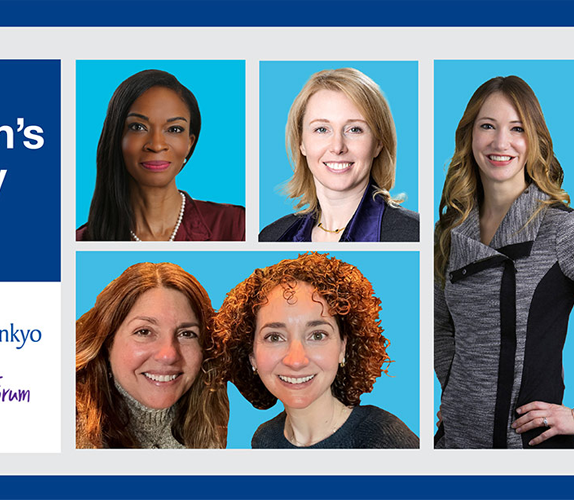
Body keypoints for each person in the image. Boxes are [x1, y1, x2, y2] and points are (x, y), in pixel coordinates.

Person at [433, 76, 574, 449]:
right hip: (455, 445)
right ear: (469, 137)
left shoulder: (560, 228)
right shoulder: (450, 231)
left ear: (534, 140)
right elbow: (439, 327)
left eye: (517, 129)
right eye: (487, 126)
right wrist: (457, 393)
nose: (500, 142)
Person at [211, 252, 417, 448]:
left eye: (317, 335)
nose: (296, 360)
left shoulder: (386, 439)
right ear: (251, 356)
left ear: (343, 348)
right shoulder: (264, 439)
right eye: (274, 337)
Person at [77, 69, 245, 241]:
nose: (156, 145)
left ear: (189, 143)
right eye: (138, 127)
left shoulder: (237, 226)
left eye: (174, 129)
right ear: (117, 137)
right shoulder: (81, 240)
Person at [76, 262, 228, 448]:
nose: (168, 355)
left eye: (186, 334)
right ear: (108, 342)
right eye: (144, 332)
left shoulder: (207, 417)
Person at [259, 68, 418, 242]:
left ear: (378, 143)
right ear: (301, 143)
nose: (337, 147)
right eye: (321, 129)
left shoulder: (414, 233)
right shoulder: (272, 237)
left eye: (355, 129)